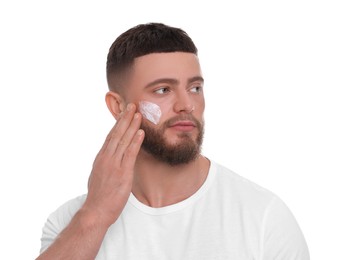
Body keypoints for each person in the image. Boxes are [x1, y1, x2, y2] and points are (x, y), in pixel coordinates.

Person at [37, 22, 309, 260]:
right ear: (118, 107)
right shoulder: (69, 223)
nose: (186, 105)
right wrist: (94, 216)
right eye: (163, 89)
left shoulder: (263, 218)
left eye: (195, 88)